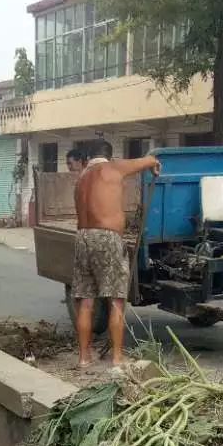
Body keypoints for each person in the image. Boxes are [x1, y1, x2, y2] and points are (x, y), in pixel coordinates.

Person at [72, 138, 161, 368]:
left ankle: (84, 358)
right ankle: (118, 358)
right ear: (109, 156)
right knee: (116, 300)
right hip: (107, 237)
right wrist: (153, 163)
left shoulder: (81, 178)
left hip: (83, 237)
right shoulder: (112, 167)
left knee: (86, 301)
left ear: (88, 157)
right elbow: (147, 160)